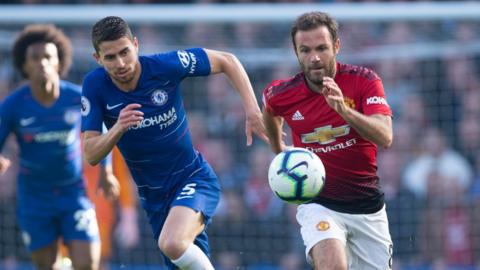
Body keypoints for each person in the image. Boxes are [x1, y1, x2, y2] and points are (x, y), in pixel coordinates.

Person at [81, 16, 268, 270]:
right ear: (98, 59)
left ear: (136, 45)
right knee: (181, 258)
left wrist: (253, 111)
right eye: (110, 57)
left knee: (171, 243)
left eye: (125, 52)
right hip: (155, 199)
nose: (121, 62)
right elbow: (90, 153)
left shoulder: (164, 66)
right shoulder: (94, 85)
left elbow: (227, 60)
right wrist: (118, 127)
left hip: (193, 179)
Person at [262, 12, 394, 269]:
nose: (314, 58)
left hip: (367, 207)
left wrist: (343, 110)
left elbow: (385, 136)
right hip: (318, 203)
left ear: (336, 46)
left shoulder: (364, 80)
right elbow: (270, 110)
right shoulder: (282, 93)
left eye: (322, 48)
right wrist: (280, 152)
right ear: (296, 52)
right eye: (305, 50)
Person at [0, 24, 118, 270]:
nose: (42, 63)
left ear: (59, 61)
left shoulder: (76, 98)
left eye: (48, 57)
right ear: (24, 65)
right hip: (34, 197)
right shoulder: (13, 105)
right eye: (35, 58)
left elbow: (102, 130)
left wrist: (106, 173)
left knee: (88, 264)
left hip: (72, 193)